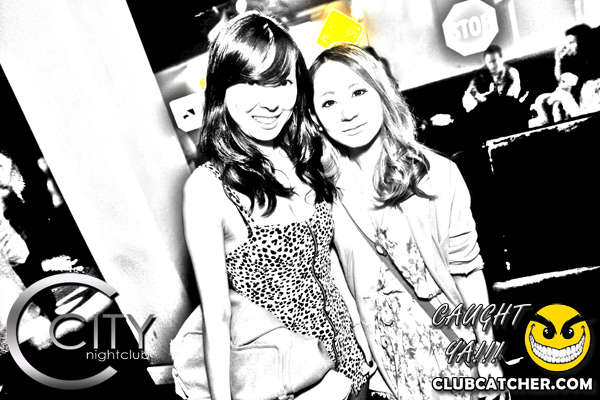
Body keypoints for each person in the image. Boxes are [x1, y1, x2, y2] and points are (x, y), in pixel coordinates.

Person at [181, 11, 369, 400]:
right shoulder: (208, 187)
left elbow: (334, 263)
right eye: (251, 82)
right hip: (291, 381)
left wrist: (364, 337)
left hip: (352, 360)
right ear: (221, 88)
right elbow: (218, 319)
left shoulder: (308, 157)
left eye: (281, 82)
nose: (269, 102)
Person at [310, 43, 505, 399]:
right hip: (388, 368)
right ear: (315, 118)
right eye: (328, 102)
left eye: (358, 92)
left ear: (381, 91)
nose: (347, 112)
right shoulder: (324, 195)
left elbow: (467, 270)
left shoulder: (435, 175)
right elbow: (338, 280)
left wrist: (487, 354)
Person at [462, 44, 521, 113]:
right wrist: (480, 98)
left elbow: (512, 97)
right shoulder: (480, 75)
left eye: (494, 61)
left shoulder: (511, 73)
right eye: (489, 62)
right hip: (488, 109)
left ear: (501, 59)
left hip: (508, 108)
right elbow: (470, 92)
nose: (492, 65)